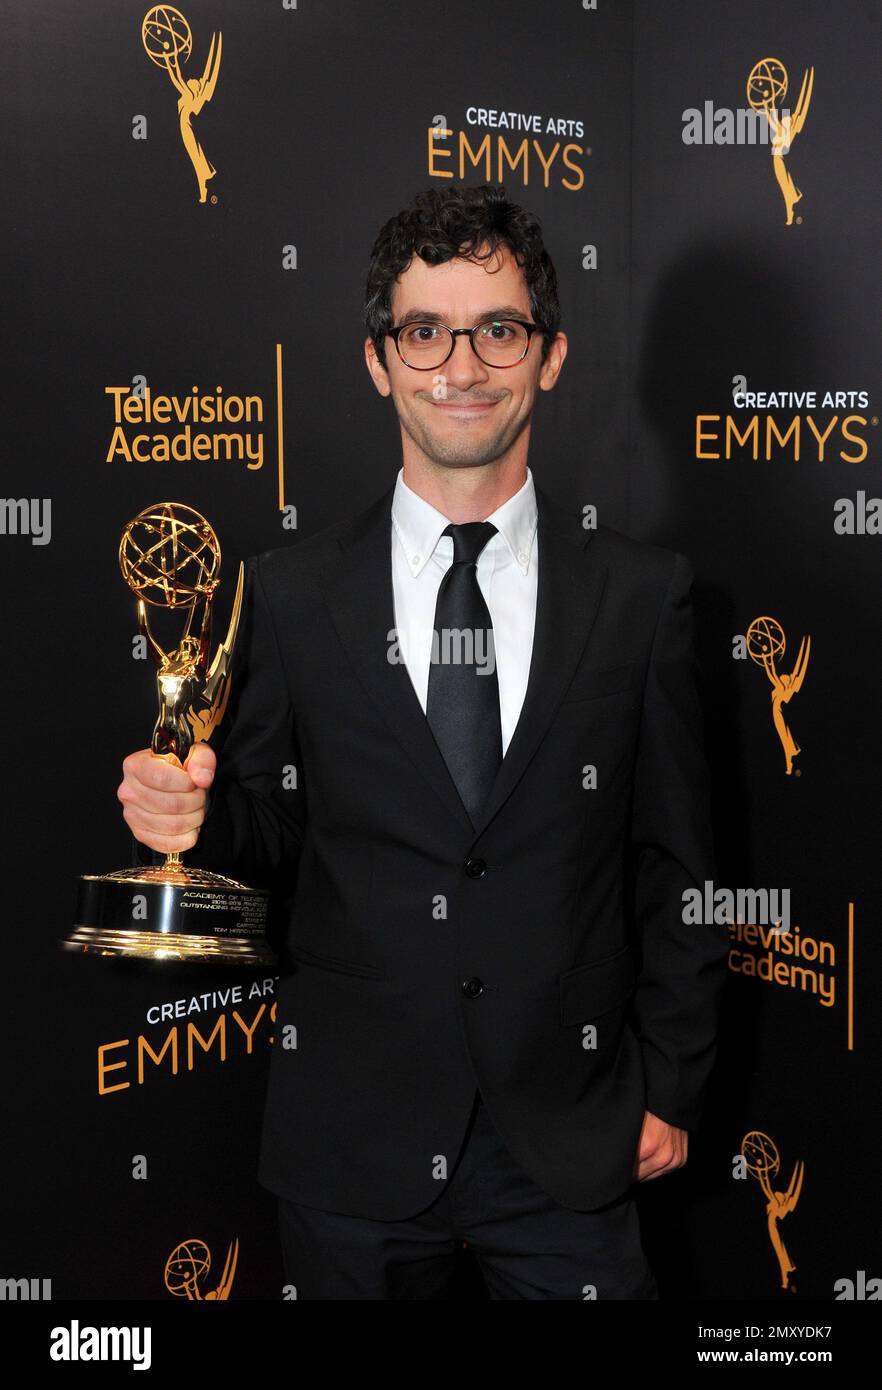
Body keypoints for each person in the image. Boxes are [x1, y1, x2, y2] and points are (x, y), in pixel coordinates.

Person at [119, 182, 729, 1300]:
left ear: (548, 356)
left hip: (575, 1138)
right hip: (352, 1143)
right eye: (425, 330)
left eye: (498, 329)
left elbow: (676, 864)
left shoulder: (643, 598)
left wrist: (672, 1083)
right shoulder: (290, 593)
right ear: (377, 359)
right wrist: (196, 818)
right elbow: (274, 830)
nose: (461, 364)